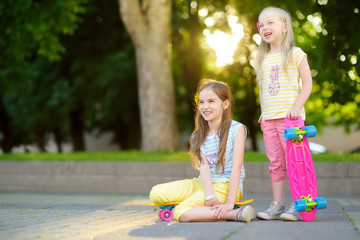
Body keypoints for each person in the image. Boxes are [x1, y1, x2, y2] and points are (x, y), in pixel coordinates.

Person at [149, 79, 254, 223]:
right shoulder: (197, 136)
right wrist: (210, 196)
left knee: (181, 211)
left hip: (226, 185)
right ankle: (203, 204)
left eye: (211, 101)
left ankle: (234, 214)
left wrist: (229, 203)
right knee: (156, 193)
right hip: (203, 184)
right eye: (202, 102)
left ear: (225, 104)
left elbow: (236, 168)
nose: (205, 107)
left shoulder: (237, 130)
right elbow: (204, 168)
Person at [253, 7, 313, 221]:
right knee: (276, 163)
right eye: (262, 24)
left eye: (270, 23)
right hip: (269, 120)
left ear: (285, 27)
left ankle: (300, 203)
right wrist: (263, 113)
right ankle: (277, 204)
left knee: (295, 161)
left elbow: (307, 83)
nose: (265, 27)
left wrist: (297, 106)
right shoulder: (261, 58)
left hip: (291, 120)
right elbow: (262, 88)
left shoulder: (295, 54)